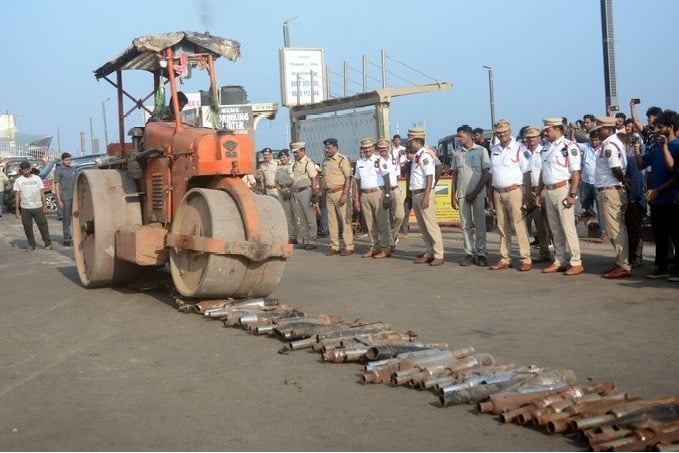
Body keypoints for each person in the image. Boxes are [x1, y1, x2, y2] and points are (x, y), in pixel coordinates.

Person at [536, 117, 584, 276]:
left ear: (558, 129)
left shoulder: (568, 146)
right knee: (555, 228)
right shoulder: (546, 148)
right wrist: (538, 192)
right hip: (549, 191)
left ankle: (576, 261)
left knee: (568, 227)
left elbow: (576, 172)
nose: (546, 133)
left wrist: (572, 194)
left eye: (548, 130)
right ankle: (560, 260)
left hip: (563, 189)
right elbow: (544, 172)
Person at [634, 109, 679, 280]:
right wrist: (637, 148)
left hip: (672, 199)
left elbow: (674, 173)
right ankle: (662, 267)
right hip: (657, 200)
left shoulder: (676, 147)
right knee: (660, 236)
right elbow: (640, 165)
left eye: (661, 126)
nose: (658, 129)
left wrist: (658, 190)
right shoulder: (656, 149)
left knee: (676, 236)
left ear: (670, 126)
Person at [487, 120, 532, 271]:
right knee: (502, 226)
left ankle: (526, 258)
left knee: (519, 226)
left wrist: (527, 195)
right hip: (498, 191)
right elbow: (492, 174)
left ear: (510, 132)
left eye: (505, 132)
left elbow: (526, 173)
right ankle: (505, 258)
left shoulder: (520, 148)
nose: (502, 135)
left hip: (514, 191)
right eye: (499, 133)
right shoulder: (494, 149)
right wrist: (491, 197)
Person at [593, 117, 631, 278]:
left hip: (610, 190)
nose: (597, 131)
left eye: (600, 129)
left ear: (608, 129)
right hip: (612, 189)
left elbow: (615, 167)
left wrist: (622, 180)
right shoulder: (612, 143)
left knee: (615, 229)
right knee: (616, 228)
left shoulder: (609, 144)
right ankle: (620, 261)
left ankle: (623, 264)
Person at [450, 124, 491, 267]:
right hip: (462, 194)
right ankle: (469, 253)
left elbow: (487, 174)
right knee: (465, 225)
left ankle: (481, 253)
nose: (459, 139)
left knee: (480, 224)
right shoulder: (457, 153)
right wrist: (452, 195)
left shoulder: (482, 151)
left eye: (460, 136)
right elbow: (454, 175)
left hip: (478, 193)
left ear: (469, 135)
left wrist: (474, 193)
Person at [408, 127, 445, 266]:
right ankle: (429, 252)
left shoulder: (425, 155)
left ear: (417, 141)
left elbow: (430, 176)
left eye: (411, 141)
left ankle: (438, 254)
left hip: (424, 192)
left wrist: (427, 196)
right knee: (423, 227)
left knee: (431, 226)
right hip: (416, 193)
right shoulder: (417, 155)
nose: (409, 144)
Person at [353, 138, 391, 258]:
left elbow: (387, 178)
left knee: (382, 223)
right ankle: (374, 247)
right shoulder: (360, 162)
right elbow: (357, 181)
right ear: (363, 149)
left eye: (369, 147)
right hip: (365, 194)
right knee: (369, 224)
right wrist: (357, 198)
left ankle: (386, 248)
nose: (367, 150)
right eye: (365, 148)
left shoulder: (379, 160)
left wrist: (387, 196)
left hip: (377, 193)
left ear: (373, 148)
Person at [320, 137, 354, 256]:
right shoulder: (325, 161)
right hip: (329, 194)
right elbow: (323, 177)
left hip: (340, 192)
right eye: (325, 148)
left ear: (335, 147)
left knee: (345, 221)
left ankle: (349, 246)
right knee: (332, 222)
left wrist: (345, 194)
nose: (326, 150)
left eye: (329, 148)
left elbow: (349, 177)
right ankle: (334, 246)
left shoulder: (342, 159)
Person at [523, 126, 551, 263]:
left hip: (546, 189)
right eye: (528, 138)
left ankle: (560, 254)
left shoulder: (544, 151)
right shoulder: (523, 153)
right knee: (539, 224)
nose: (531, 140)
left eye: (534, 137)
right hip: (531, 190)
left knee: (553, 223)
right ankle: (544, 252)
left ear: (539, 138)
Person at [13, 161, 53, 251]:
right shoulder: (19, 181)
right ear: (21, 170)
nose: (26, 171)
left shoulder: (37, 178)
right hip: (25, 208)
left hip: (38, 207)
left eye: (28, 169)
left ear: (30, 169)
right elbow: (17, 195)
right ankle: (31, 245)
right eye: (24, 170)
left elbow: (42, 192)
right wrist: (17, 209)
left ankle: (48, 243)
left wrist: (45, 205)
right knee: (27, 227)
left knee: (43, 226)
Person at [622, 133, 647, 268]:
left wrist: (633, 200)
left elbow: (637, 181)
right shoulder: (625, 158)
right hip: (629, 200)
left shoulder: (631, 159)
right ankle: (631, 256)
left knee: (634, 230)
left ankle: (636, 257)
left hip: (634, 200)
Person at [290, 142, 319, 250]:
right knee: (300, 218)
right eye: (294, 153)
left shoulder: (308, 162)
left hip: (306, 192)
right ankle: (305, 239)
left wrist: (314, 193)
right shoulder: (296, 163)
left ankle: (312, 240)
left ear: (302, 150)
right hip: (296, 193)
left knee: (309, 217)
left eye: (297, 152)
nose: (295, 155)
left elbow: (313, 178)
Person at [378, 138, 405, 251]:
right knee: (384, 219)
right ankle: (388, 242)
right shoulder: (376, 161)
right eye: (381, 148)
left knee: (400, 215)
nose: (383, 150)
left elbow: (397, 175)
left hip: (394, 189)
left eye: (385, 148)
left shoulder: (394, 159)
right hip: (382, 191)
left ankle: (392, 236)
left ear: (388, 148)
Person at [274, 149, 298, 244]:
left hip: (293, 191)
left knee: (297, 214)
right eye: (281, 157)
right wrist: (281, 190)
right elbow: (276, 181)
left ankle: (300, 235)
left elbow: (296, 179)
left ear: (288, 157)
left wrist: (289, 190)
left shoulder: (294, 165)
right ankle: (291, 236)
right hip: (282, 192)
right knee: (287, 215)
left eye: (284, 157)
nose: (282, 159)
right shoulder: (278, 167)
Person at [54, 152, 76, 246]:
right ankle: (67, 238)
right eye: (67, 160)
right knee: (66, 219)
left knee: (75, 218)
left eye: (70, 159)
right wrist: (59, 200)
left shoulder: (73, 169)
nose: (69, 161)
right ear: (62, 161)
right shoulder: (59, 170)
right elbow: (57, 185)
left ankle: (76, 237)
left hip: (74, 197)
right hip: (65, 198)